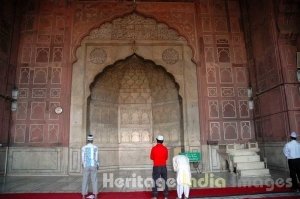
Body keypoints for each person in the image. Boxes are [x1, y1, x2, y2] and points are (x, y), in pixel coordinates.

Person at [150, 135, 169, 199]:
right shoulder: (165, 148)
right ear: (162, 141)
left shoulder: (154, 148)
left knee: (155, 181)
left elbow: (151, 157)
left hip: (156, 166)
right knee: (164, 180)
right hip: (163, 166)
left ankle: (155, 196)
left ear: (157, 140)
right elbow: (166, 158)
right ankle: (166, 196)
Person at [82, 134, 99, 199]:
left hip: (86, 165)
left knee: (85, 180)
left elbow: (83, 157)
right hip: (93, 165)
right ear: (92, 140)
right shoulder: (95, 147)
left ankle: (83, 195)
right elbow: (96, 158)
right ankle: (95, 195)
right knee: (94, 180)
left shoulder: (84, 147)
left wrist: (83, 164)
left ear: (87, 140)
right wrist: (97, 165)